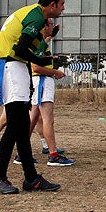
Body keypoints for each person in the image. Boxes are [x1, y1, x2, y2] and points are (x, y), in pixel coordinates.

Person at [0, 0, 66, 194]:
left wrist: (45, 43)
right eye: (62, 4)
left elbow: (25, 46)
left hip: (14, 66)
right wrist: (40, 60)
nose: (63, 8)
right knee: (15, 125)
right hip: (10, 67)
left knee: (22, 126)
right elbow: (21, 49)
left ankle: (31, 178)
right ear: (52, 5)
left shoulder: (32, 14)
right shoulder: (37, 18)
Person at [29, 19, 73, 166]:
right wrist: (55, 72)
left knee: (33, 119)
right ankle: (53, 155)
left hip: (40, 82)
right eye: (50, 24)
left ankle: (21, 153)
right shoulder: (39, 43)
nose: (53, 26)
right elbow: (35, 67)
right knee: (48, 119)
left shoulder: (41, 41)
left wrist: (51, 35)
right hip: (42, 80)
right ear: (43, 27)